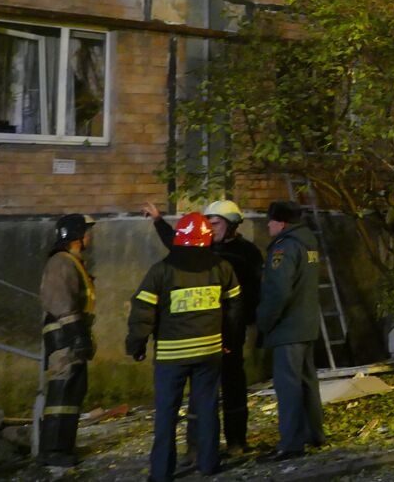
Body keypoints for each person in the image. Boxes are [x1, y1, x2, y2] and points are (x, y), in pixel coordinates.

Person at [126, 213, 241, 482]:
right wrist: (229, 342)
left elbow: (143, 311)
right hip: (209, 351)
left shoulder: (162, 270)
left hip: (171, 356)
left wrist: (136, 345)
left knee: (167, 414)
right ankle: (209, 464)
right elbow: (235, 308)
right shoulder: (222, 267)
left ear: (179, 237)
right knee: (208, 408)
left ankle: (161, 472)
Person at [143, 199, 264, 455]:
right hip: (205, 333)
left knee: (233, 387)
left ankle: (236, 442)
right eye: (208, 223)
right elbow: (176, 241)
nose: (210, 228)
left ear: (231, 225)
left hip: (230, 332)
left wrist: (237, 332)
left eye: (216, 223)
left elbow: (251, 296)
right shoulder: (203, 248)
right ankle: (199, 447)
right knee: (202, 396)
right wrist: (158, 220)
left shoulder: (247, 253)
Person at [256, 201, 324, 461]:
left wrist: (264, 321)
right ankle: (313, 434)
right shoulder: (308, 242)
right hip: (306, 324)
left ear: (281, 222)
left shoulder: (284, 247)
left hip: (288, 328)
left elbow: (278, 291)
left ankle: (292, 444)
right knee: (307, 383)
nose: (268, 225)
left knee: (288, 387)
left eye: (270, 220)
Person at [38, 213, 96, 468]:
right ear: (76, 235)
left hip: (71, 337)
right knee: (61, 394)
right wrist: (78, 336)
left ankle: (63, 446)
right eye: (86, 231)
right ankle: (51, 450)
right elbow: (62, 302)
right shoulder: (62, 263)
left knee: (73, 392)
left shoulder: (72, 262)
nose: (90, 236)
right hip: (64, 339)